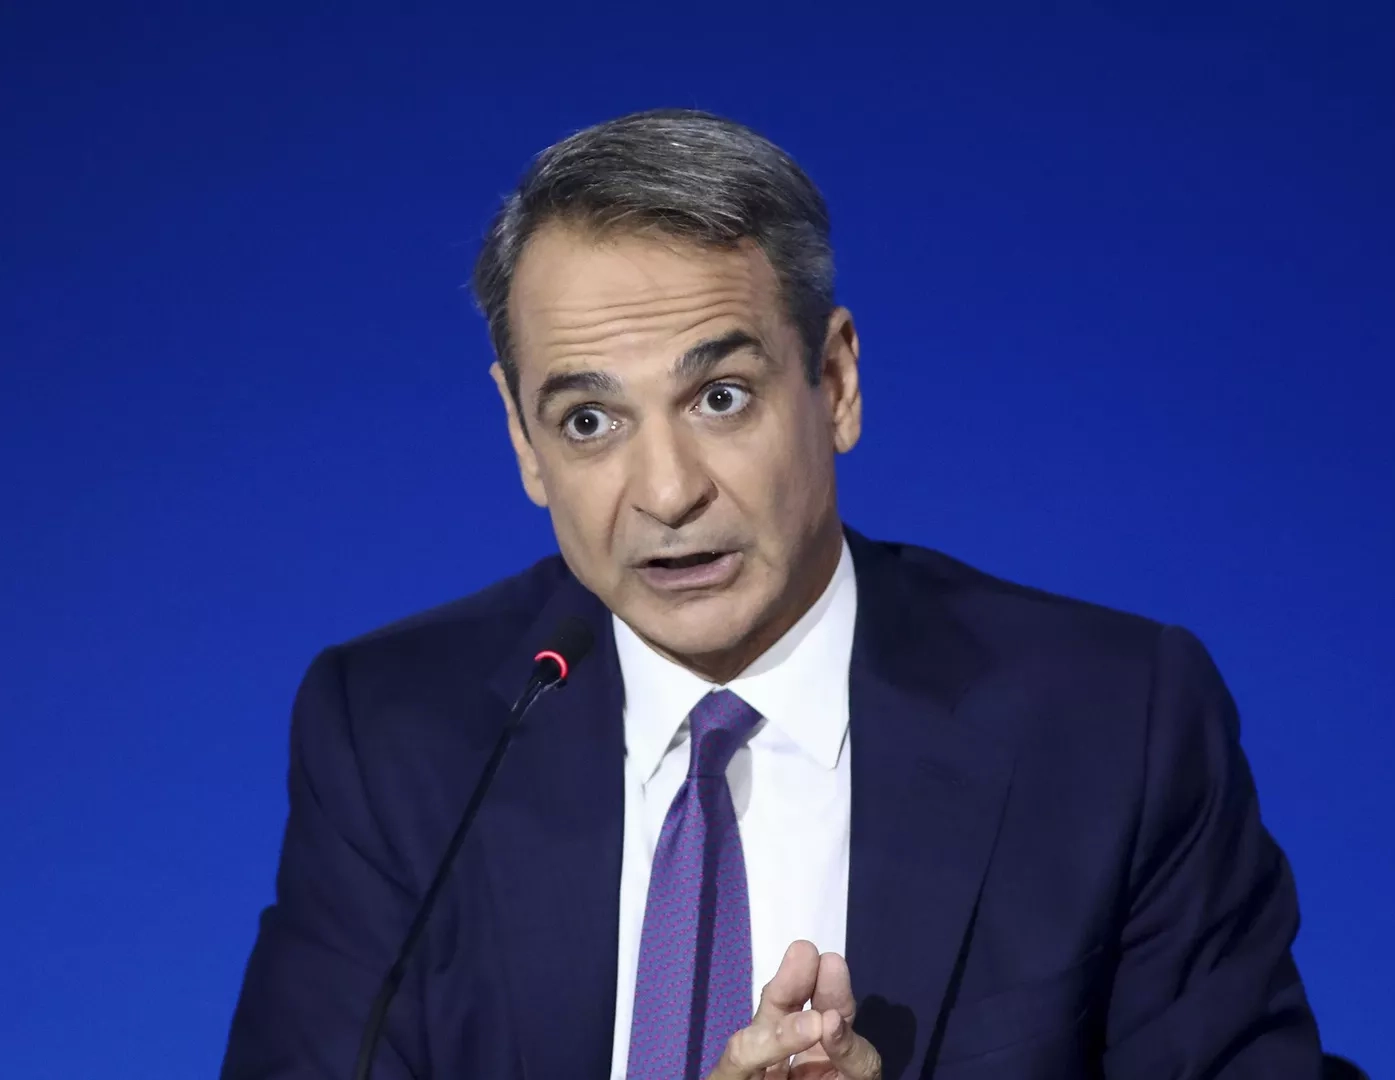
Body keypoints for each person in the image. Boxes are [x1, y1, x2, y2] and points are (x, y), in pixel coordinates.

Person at [221, 109, 1321, 1080]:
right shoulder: (395, 737)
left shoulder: (1112, 726)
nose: (667, 493)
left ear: (834, 383)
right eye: (589, 421)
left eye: (721, 396)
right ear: (522, 440)